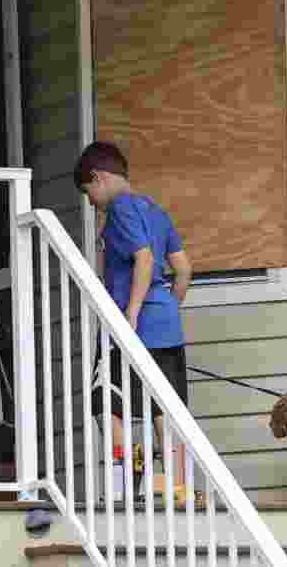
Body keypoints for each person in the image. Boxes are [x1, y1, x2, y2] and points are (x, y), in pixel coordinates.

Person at [74, 140, 192, 499]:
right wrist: (165, 309)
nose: (91, 201)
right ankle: (179, 488)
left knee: (105, 404)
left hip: (132, 327)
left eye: (88, 192)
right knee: (163, 411)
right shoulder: (154, 209)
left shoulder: (121, 210)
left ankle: (128, 477)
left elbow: (142, 259)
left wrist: (132, 315)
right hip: (167, 326)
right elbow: (183, 270)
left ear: (98, 178)